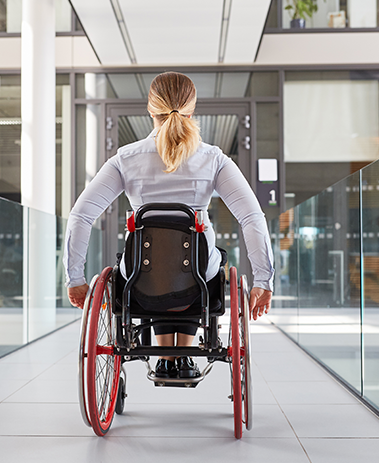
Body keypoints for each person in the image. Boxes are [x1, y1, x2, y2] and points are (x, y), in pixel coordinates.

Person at [64, 72, 274, 379]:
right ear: (192, 109)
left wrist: (75, 277)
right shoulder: (213, 159)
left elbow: (81, 216)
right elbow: (252, 217)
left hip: (141, 277)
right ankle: (179, 357)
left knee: (156, 264)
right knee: (198, 261)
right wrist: (262, 281)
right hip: (198, 281)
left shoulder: (125, 159)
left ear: (150, 110)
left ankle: (165, 356)